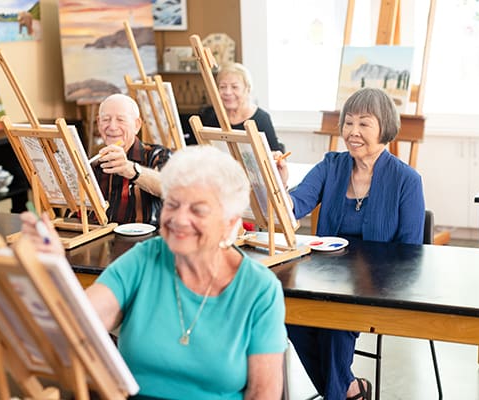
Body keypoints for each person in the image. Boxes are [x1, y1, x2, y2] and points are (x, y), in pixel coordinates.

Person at [20, 145, 288, 400]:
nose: (179, 219)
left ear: (230, 223)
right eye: (172, 204)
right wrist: (55, 269)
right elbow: (81, 324)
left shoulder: (259, 289)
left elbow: (262, 393)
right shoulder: (144, 259)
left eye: (198, 210)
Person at [276, 87, 425, 400]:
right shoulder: (331, 165)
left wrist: (368, 278)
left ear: (384, 129)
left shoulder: (407, 180)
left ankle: (342, 392)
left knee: (334, 319)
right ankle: (350, 389)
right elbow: (295, 205)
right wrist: (278, 182)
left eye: (364, 124)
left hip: (378, 286)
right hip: (326, 279)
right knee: (290, 313)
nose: (352, 132)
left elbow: (411, 254)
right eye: (348, 123)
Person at [92, 93, 171, 225]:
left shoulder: (158, 154)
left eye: (120, 120)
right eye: (106, 120)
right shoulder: (94, 162)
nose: (112, 126)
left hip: (146, 241)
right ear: (99, 124)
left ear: (137, 125)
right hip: (100, 240)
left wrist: (130, 169)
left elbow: (170, 187)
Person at [198, 63, 285, 152]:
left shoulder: (262, 118)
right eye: (222, 87)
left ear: (247, 89)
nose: (227, 92)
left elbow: (275, 154)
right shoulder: (211, 116)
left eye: (234, 87)